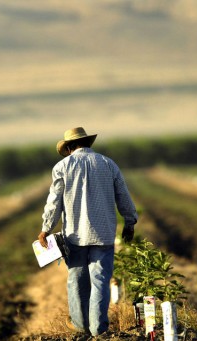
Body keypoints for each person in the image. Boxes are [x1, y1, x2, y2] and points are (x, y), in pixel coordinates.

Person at [38, 127, 138, 337]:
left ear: (69, 148)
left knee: (76, 281)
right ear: (87, 144)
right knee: (100, 281)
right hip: (103, 234)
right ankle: (98, 330)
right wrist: (130, 222)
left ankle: (80, 325)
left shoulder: (62, 167)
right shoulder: (108, 164)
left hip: (74, 235)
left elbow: (54, 201)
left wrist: (46, 228)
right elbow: (123, 195)